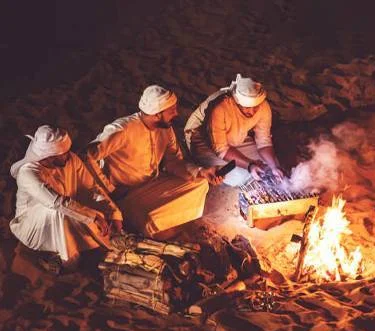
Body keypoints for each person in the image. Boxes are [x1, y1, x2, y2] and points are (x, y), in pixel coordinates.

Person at [86, 85, 221, 239]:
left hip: (153, 183)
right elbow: (87, 155)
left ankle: (160, 223)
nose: (176, 113)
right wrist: (106, 187)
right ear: (157, 114)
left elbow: (174, 161)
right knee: (147, 218)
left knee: (200, 183)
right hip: (126, 194)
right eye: (172, 111)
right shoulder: (122, 129)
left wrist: (201, 171)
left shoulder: (165, 128)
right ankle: (149, 225)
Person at [10, 125, 123, 270]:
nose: (68, 155)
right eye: (62, 153)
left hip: (69, 212)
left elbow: (91, 188)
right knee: (60, 211)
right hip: (33, 226)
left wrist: (114, 213)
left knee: (88, 215)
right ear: (49, 156)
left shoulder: (70, 159)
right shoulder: (28, 173)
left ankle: (104, 246)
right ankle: (68, 262)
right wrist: (94, 217)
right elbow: (57, 203)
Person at [184, 74, 284, 186]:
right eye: (246, 107)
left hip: (235, 136)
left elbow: (264, 142)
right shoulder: (220, 107)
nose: (251, 112)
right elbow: (221, 149)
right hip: (203, 140)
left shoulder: (263, 106)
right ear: (236, 101)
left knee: (269, 164)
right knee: (239, 177)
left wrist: (274, 166)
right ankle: (198, 159)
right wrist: (249, 165)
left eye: (255, 107)